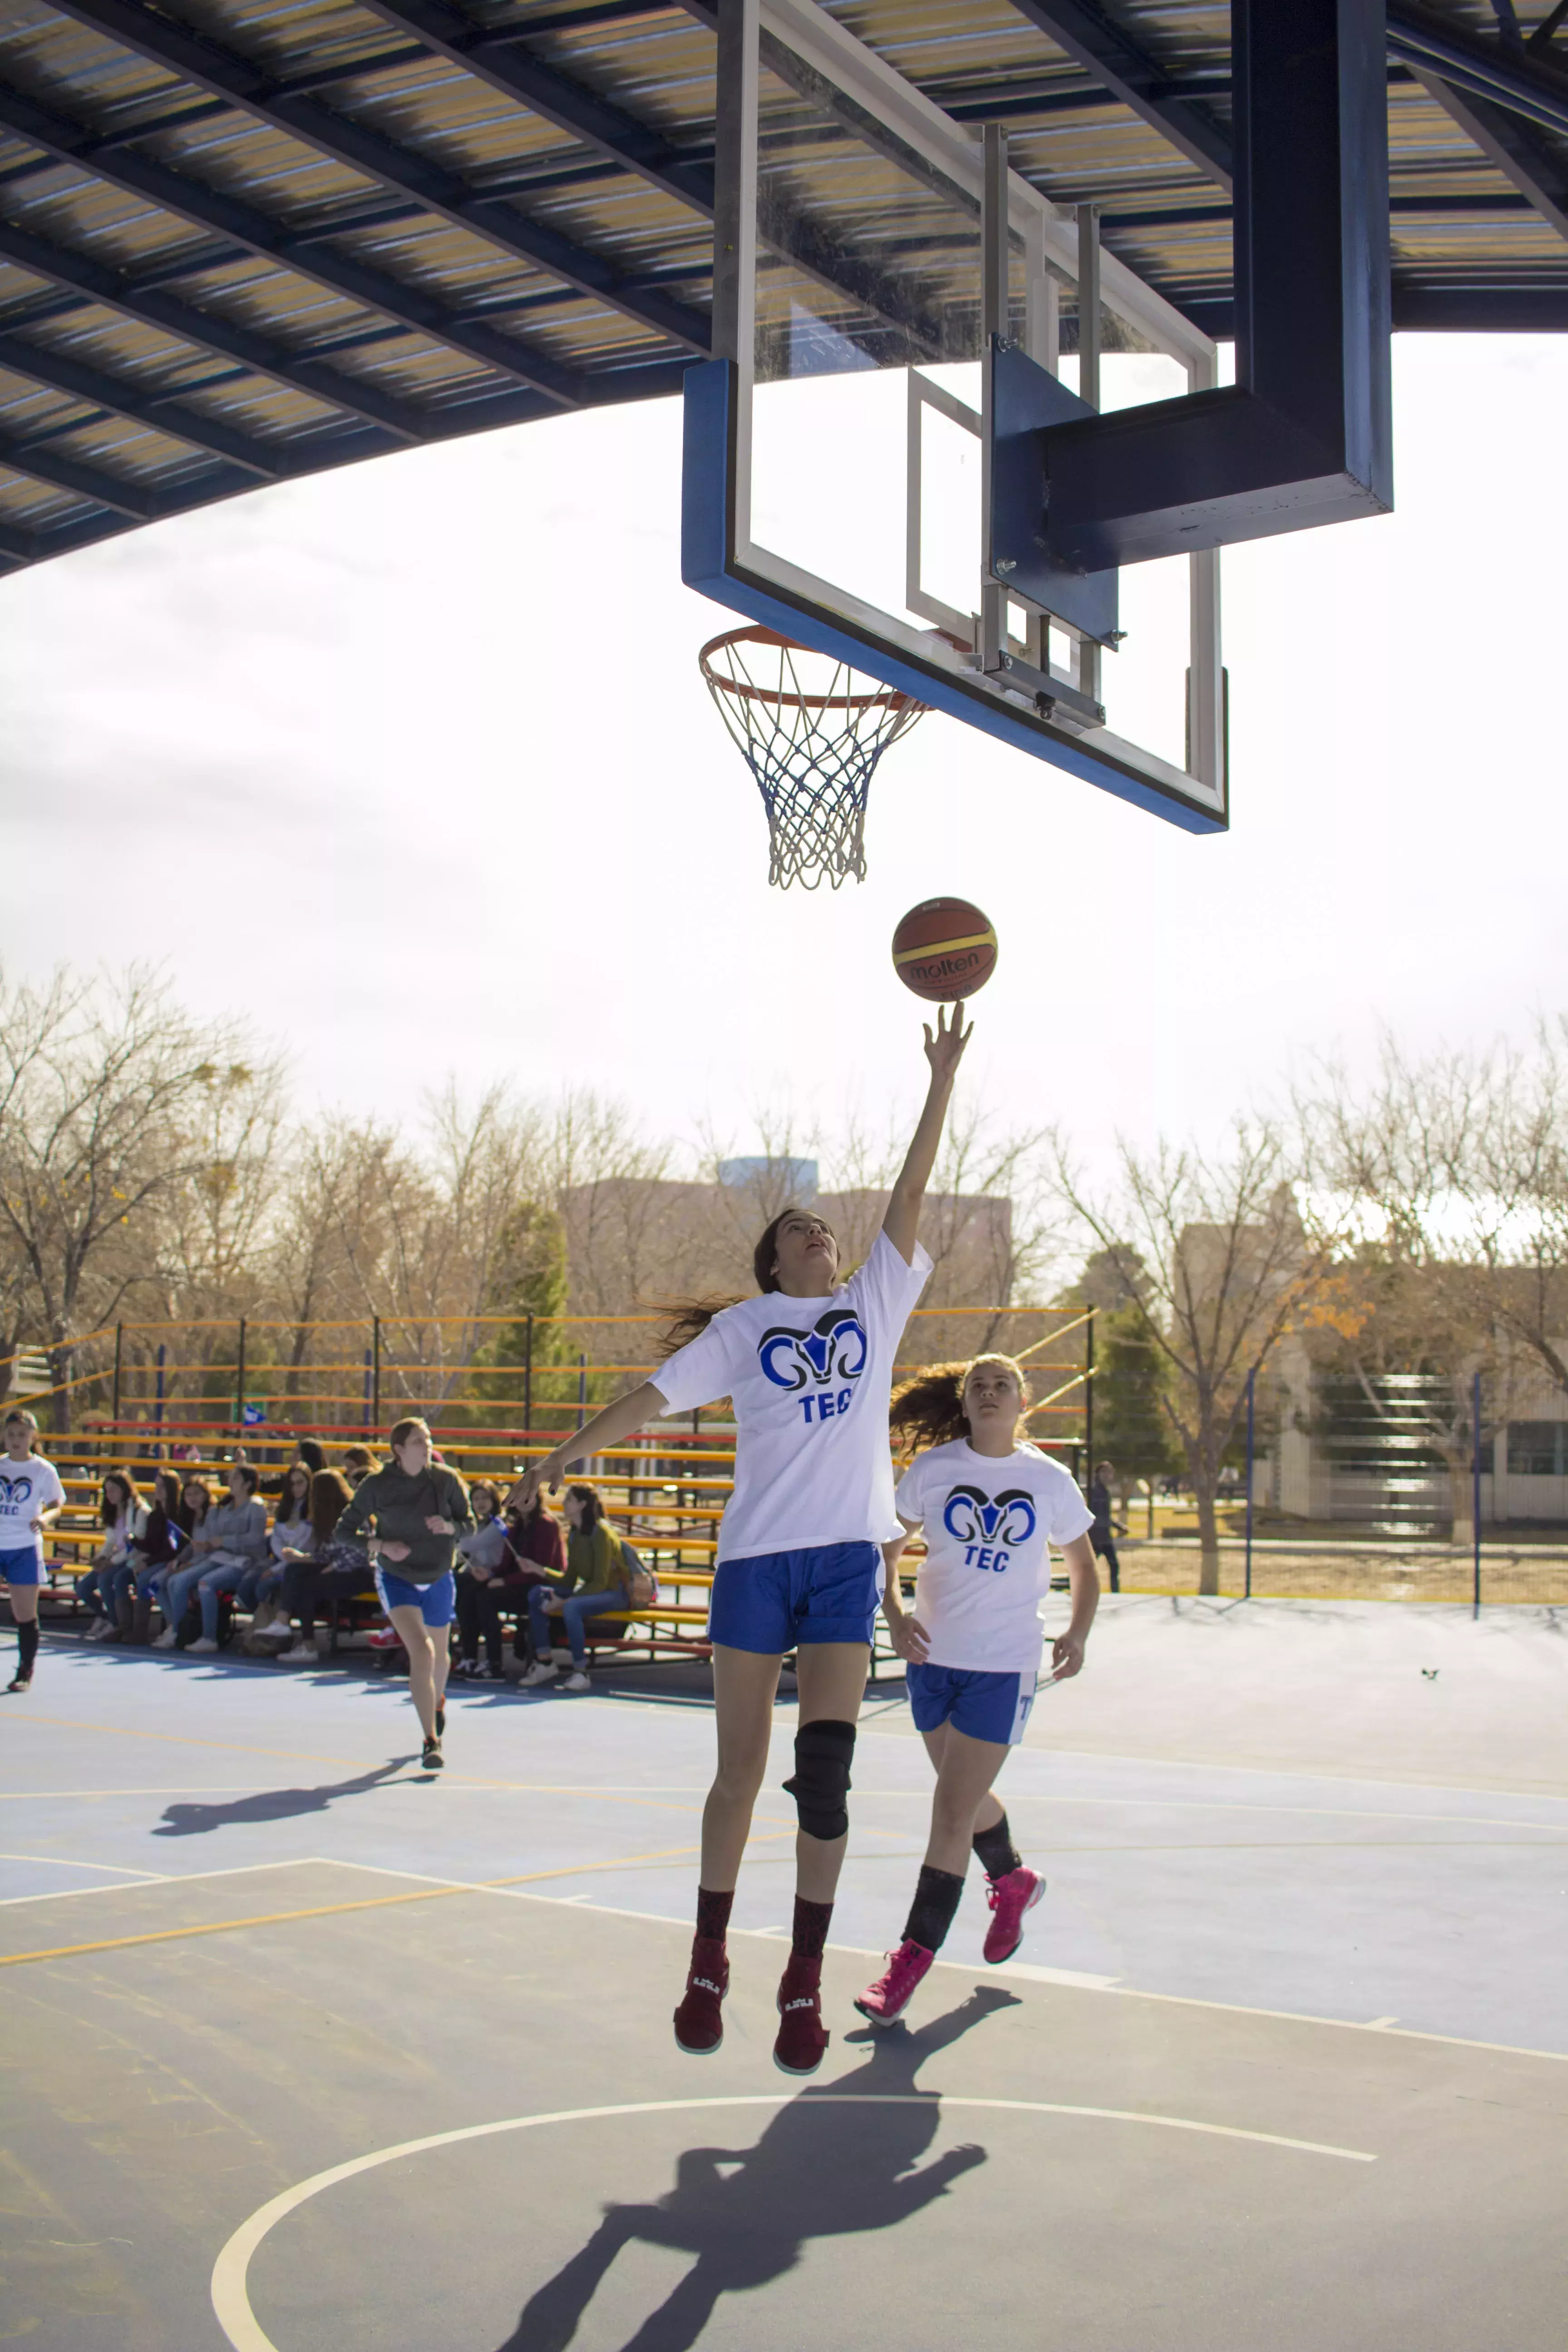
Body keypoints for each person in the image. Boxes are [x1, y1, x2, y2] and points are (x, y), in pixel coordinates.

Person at [514, 1004, 970, 2075]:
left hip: (842, 1560)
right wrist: (560, 1455)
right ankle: (708, 1957)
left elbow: (906, 1192)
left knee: (824, 1775)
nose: (821, 1233)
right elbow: (642, 1395)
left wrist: (940, 1078)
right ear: (773, 1262)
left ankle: (802, 1978)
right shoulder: (743, 1331)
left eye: (824, 1227)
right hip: (756, 1564)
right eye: (800, 1230)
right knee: (736, 1774)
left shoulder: (872, 1301)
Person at [854, 1354, 1099, 2027]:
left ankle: (908, 1963)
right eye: (978, 1387)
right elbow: (888, 1549)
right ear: (964, 1404)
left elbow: (1083, 1565)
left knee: (949, 1812)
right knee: (962, 1799)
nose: (990, 1394)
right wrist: (897, 1616)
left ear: (1025, 1402)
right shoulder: (934, 1471)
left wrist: (1077, 1631)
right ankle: (1013, 1880)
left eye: (1003, 1387)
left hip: (1002, 1664)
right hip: (933, 1659)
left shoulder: (1048, 1480)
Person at [333, 1420, 474, 1768]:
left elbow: (470, 1524)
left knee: (441, 1656)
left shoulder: (446, 1479)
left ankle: (436, 1702)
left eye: (428, 1440)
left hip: (439, 1575)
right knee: (422, 1652)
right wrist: (382, 1545)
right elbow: (343, 1531)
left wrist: (450, 1527)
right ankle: (431, 1740)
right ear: (398, 1450)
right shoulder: (378, 1486)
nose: (426, 1446)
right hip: (398, 1578)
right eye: (417, 1442)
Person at [518, 1485, 632, 1693]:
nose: (564, 1502)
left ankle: (581, 1672)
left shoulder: (602, 1533)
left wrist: (564, 1602)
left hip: (616, 1594)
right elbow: (569, 1581)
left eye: (569, 1499)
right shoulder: (574, 1533)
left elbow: (600, 1582)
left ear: (582, 1505)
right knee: (536, 1594)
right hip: (594, 1591)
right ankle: (545, 1663)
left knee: (572, 1608)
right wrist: (539, 1569)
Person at [453, 1485, 565, 1680]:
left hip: (538, 1588)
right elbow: (507, 1562)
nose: (524, 1500)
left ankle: (494, 1663)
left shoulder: (547, 1526)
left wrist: (503, 1581)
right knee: (468, 1590)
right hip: (518, 1583)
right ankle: (470, 1656)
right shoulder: (518, 1525)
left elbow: (540, 1572)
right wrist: (490, 1576)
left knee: (486, 1599)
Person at [154, 1463, 266, 1650]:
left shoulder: (255, 1507)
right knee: (175, 1581)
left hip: (246, 1562)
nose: (230, 1481)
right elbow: (212, 1536)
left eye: (236, 1478)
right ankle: (178, 1631)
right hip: (220, 1559)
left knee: (206, 1584)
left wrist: (224, 1541)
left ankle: (209, 1637)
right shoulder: (224, 1507)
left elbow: (254, 1539)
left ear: (247, 1484)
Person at [271, 1469, 372, 1664]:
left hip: (359, 1573)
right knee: (295, 1570)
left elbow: (361, 1552)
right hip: (338, 1568)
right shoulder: (326, 1518)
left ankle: (309, 1645)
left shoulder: (353, 1514)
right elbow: (326, 1553)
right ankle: (282, 1622)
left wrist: (334, 1566)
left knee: (307, 1587)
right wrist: (301, 1558)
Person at [0, 1407, 65, 1692]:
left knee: (24, 1613)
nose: (16, 1440)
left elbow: (56, 1506)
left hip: (23, 1547)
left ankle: (25, 1669)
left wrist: (44, 1519)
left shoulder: (42, 1470)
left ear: (32, 1437)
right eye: (11, 1434)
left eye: (22, 1435)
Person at [78, 1470, 148, 1640]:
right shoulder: (113, 1511)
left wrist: (111, 1562)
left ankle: (117, 1623)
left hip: (133, 1560)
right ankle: (104, 1616)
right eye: (107, 1491)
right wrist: (101, 1557)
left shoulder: (141, 1511)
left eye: (114, 1490)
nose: (110, 1495)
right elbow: (111, 1542)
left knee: (106, 1579)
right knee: (83, 1587)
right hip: (117, 1559)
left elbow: (136, 1545)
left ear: (125, 1489)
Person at [249, 1464, 314, 1641]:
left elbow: (305, 1546)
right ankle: (266, 1624)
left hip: (299, 1564)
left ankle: (278, 1629)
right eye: (292, 1484)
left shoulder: (313, 1510)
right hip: (280, 1561)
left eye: (300, 1483)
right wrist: (281, 1558)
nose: (296, 1488)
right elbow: (276, 1539)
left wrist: (278, 1567)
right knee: (249, 1581)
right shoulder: (285, 1507)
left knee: (264, 1585)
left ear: (309, 1483)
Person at [127, 1471, 189, 1645]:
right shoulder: (156, 1515)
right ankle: (171, 1626)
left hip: (178, 1560)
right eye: (156, 1486)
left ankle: (173, 1627)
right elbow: (153, 1546)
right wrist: (134, 1541)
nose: (157, 1490)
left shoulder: (180, 1515)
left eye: (162, 1486)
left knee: (149, 1579)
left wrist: (147, 1563)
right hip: (161, 1560)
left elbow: (174, 1549)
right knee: (138, 1575)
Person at [1088, 1458, 1125, 1595]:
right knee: (1091, 1567)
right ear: (1099, 1474)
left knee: (1112, 1566)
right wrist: (1116, 1526)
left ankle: (1114, 1593)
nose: (1109, 1476)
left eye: (1110, 1473)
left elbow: (1105, 1516)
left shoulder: (1103, 1491)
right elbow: (1098, 1516)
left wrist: (1118, 1526)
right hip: (1098, 1537)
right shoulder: (1097, 1492)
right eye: (1106, 1473)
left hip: (1104, 1537)